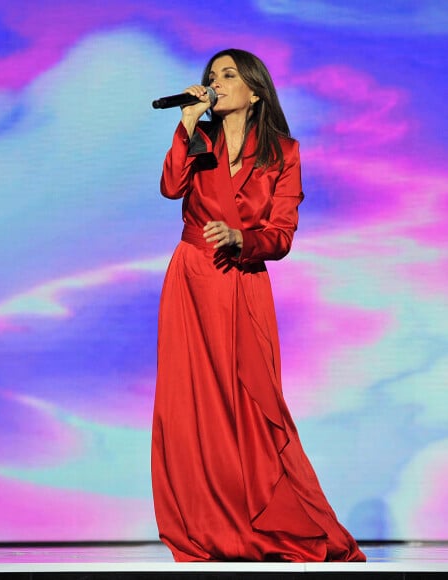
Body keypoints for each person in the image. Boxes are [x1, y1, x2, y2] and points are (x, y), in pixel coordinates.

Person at [151, 48, 366, 563]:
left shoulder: (283, 152)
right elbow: (169, 188)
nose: (216, 83)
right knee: (192, 405)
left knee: (252, 404)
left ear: (254, 90)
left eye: (228, 76)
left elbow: (282, 234)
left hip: (242, 280)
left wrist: (241, 238)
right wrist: (185, 124)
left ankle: (274, 520)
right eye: (212, 77)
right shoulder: (197, 140)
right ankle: (206, 525)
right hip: (192, 279)